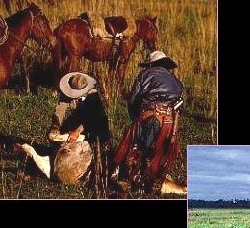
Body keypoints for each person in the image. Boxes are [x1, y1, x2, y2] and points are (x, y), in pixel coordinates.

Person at [111, 50, 184, 196]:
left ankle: (129, 179)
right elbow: (181, 103)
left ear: (150, 64)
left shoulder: (144, 75)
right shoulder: (175, 80)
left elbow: (132, 101)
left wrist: (134, 118)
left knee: (137, 146)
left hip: (149, 116)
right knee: (160, 150)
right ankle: (153, 180)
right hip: (170, 120)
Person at [17, 72, 110, 184]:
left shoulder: (94, 98)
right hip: (78, 120)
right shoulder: (68, 89)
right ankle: (55, 153)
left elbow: (93, 118)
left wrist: (78, 131)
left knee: (94, 146)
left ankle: (94, 166)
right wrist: (56, 126)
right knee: (59, 134)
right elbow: (60, 110)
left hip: (95, 128)